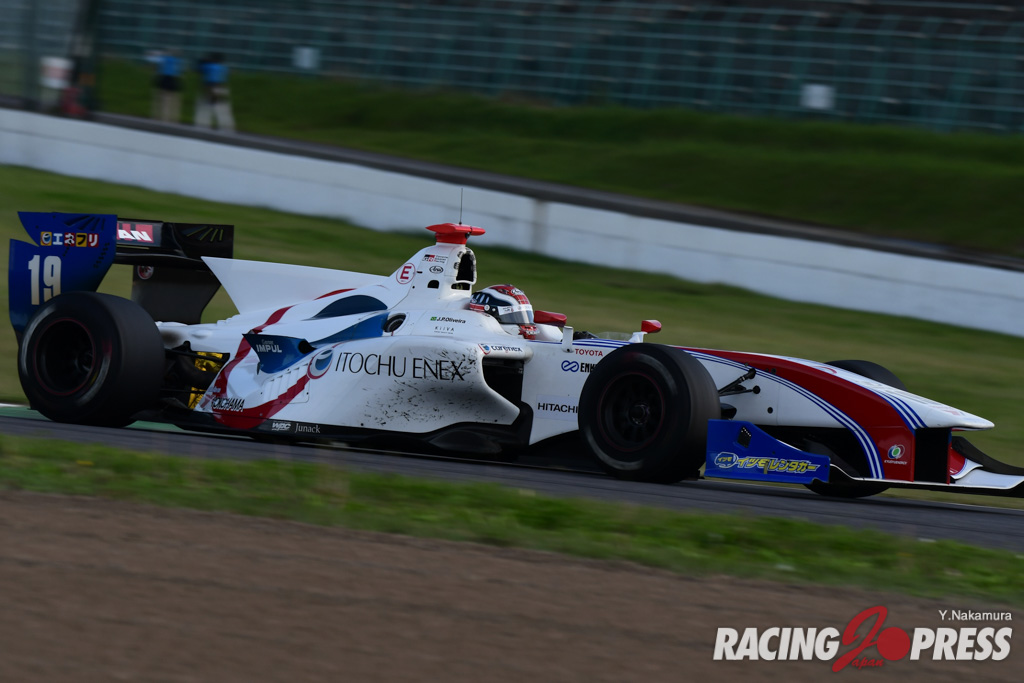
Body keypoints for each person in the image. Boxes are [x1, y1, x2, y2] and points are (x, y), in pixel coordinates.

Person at [195, 53, 234, 132]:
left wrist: (202, 61)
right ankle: (226, 127)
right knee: (222, 107)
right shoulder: (223, 68)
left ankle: (202, 126)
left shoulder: (209, 66)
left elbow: (198, 69)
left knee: (205, 107)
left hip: (211, 87)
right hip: (222, 87)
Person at [149, 49, 182, 122]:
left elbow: (154, 64)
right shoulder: (177, 61)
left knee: (161, 99)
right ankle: (171, 118)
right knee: (171, 100)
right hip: (172, 79)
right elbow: (179, 72)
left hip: (163, 78)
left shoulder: (163, 58)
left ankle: (157, 116)